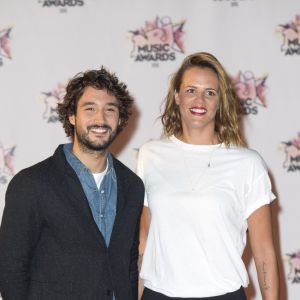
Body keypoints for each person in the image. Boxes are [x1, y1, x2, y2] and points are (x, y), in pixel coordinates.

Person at [137, 52, 279, 300]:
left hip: (223, 294)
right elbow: (144, 239)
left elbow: (264, 252)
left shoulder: (248, 163)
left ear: (220, 101)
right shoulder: (150, 155)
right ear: (177, 96)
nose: (199, 99)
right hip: (158, 294)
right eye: (191, 90)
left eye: (210, 92)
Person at [0, 67, 144, 300]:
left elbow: (128, 265)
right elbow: (11, 271)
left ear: (120, 118)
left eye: (110, 110)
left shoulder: (133, 186)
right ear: (71, 115)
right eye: (90, 109)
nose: (101, 119)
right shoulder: (31, 184)